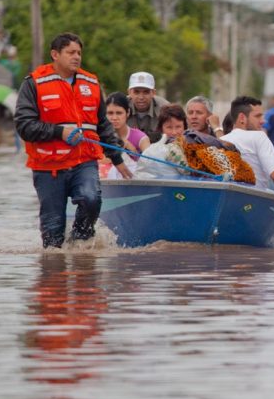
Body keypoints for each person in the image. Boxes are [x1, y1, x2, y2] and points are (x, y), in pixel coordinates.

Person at [14, 32, 131, 249]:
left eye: (79, 52)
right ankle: (55, 271)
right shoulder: (34, 84)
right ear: (55, 55)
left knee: (91, 199)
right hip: (48, 167)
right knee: (52, 234)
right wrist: (60, 132)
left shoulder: (92, 83)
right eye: (71, 52)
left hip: (83, 161)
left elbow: (102, 125)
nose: (76, 57)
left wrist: (117, 158)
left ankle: (81, 246)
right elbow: (24, 126)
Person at [136, 104, 189, 178]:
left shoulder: (194, 144)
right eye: (169, 127)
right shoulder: (152, 151)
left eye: (178, 127)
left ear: (185, 127)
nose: (174, 132)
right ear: (161, 128)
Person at [126, 71, 169, 143]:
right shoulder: (120, 107)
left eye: (146, 92)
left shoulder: (165, 109)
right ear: (129, 92)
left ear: (153, 93)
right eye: (136, 92)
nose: (141, 97)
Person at [105, 92, 150, 159]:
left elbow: (151, 164)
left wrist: (133, 151)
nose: (114, 118)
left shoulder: (141, 138)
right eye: (110, 113)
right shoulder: (98, 136)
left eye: (119, 113)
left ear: (128, 112)